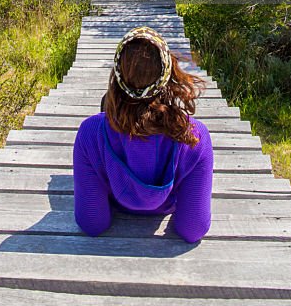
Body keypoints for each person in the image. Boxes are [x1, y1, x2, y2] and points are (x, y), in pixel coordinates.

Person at [72, 25, 213, 243]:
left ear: (117, 78)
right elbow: (193, 229)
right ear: (168, 75)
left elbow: (92, 223)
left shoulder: (90, 133)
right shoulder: (194, 136)